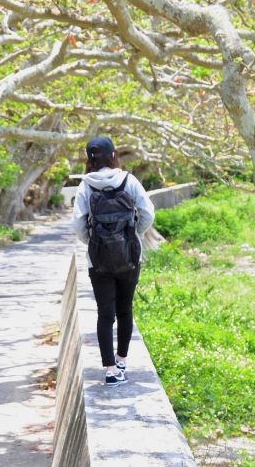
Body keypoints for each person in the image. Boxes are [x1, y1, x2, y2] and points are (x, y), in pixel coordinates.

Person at [71, 136, 155, 387]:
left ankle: (109, 370)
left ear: (90, 159)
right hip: (129, 257)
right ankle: (122, 361)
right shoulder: (128, 180)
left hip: (99, 260)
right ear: (113, 155)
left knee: (105, 314)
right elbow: (148, 213)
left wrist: (93, 242)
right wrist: (134, 235)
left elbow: (77, 224)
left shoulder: (85, 185)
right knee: (125, 309)